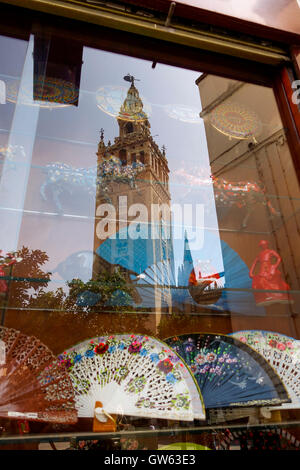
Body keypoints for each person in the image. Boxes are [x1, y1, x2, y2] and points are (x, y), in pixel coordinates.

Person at [249, 240, 292, 305]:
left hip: (269, 267)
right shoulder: (260, 254)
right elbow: (254, 263)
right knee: (260, 280)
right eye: (262, 245)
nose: (263, 246)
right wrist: (251, 272)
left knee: (272, 278)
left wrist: (275, 266)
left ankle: (276, 295)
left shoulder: (270, 251)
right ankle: (267, 296)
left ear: (267, 244)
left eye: (264, 244)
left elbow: (279, 258)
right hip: (262, 269)